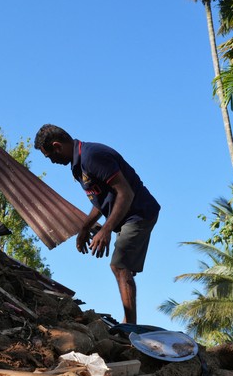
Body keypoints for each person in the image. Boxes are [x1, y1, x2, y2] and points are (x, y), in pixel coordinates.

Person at [34, 124, 160, 325]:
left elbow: (126, 193)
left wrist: (107, 229)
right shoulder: (78, 166)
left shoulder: (92, 156)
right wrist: (84, 228)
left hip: (138, 213)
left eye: (50, 157)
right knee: (122, 267)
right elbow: (101, 203)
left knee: (120, 266)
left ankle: (130, 326)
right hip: (124, 216)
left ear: (57, 146)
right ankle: (129, 322)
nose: (52, 162)